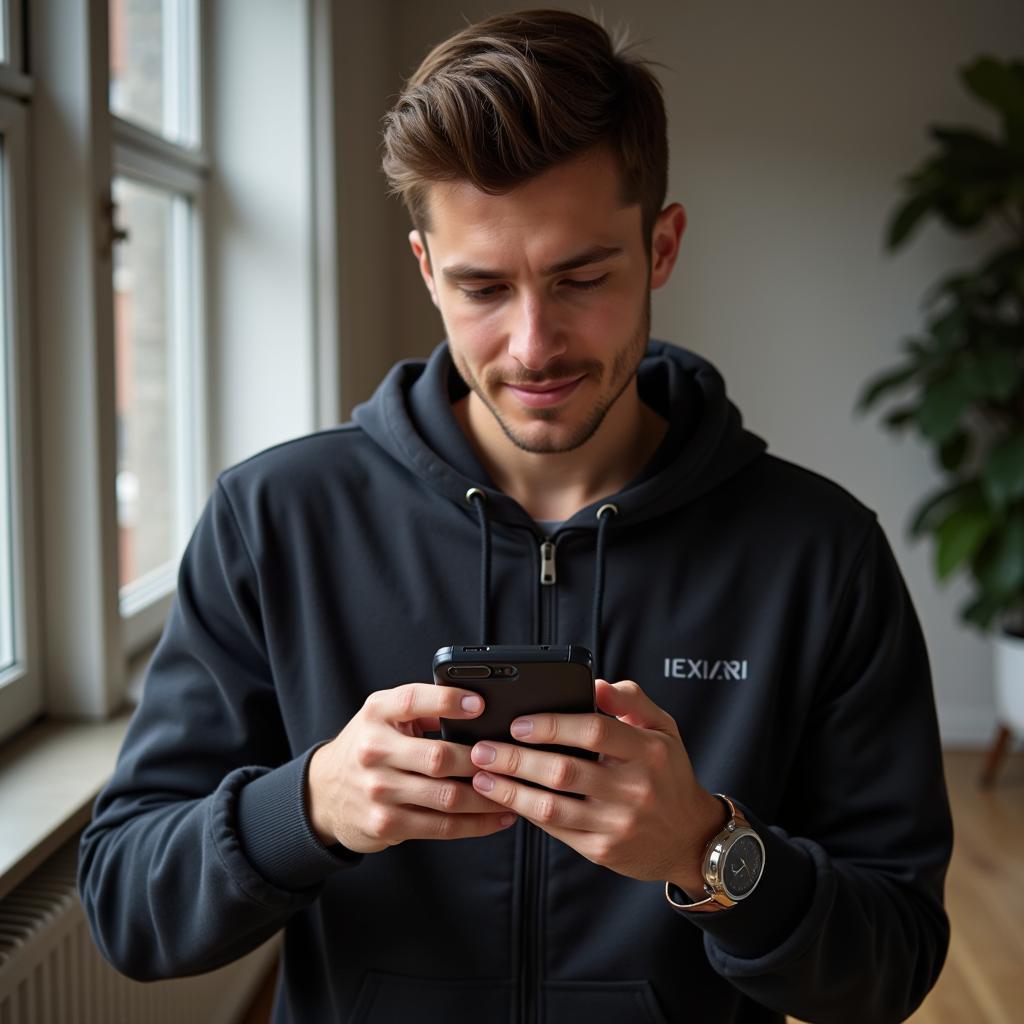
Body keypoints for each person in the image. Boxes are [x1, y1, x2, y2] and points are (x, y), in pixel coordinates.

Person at [79, 10, 953, 1023]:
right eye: (483, 287)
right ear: (424, 271)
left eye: (582, 278)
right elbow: (127, 908)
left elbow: (890, 964)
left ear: (660, 246)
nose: (533, 344)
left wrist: (704, 848)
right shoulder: (273, 519)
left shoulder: (819, 554)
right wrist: (309, 805)